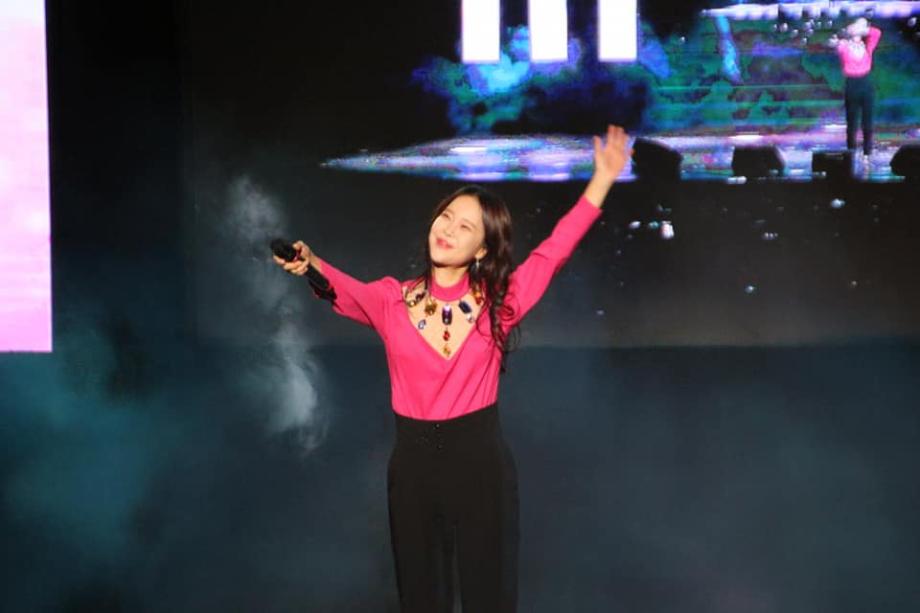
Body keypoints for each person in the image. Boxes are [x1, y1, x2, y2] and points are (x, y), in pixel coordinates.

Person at [275, 125, 631, 612]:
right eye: (445, 217)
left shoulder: (501, 303)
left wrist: (602, 180)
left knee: (490, 595)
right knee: (421, 597)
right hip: (413, 468)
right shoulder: (391, 300)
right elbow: (341, 287)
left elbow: (554, 250)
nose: (447, 230)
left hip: (480, 463)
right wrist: (310, 262)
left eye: (465, 227)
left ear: (482, 249)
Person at [828, 17, 882, 160]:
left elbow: (876, 33)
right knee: (852, 121)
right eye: (857, 25)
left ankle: (867, 153)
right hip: (852, 84)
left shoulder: (868, 45)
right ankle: (850, 152)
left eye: (863, 26)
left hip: (866, 84)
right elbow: (833, 43)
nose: (859, 28)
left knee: (867, 121)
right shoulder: (844, 45)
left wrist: (863, 28)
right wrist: (842, 36)